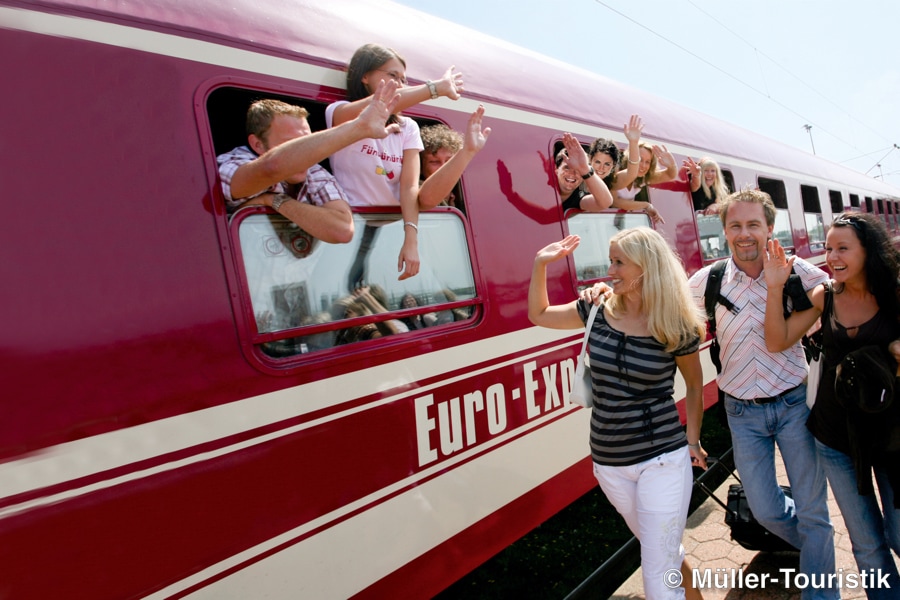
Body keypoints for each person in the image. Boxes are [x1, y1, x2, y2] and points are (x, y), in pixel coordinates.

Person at [529, 228, 707, 600]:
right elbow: (540, 314)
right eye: (610, 260)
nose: (609, 270)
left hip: (663, 459)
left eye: (619, 262)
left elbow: (693, 386)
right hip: (609, 464)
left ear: (646, 268)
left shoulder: (677, 324)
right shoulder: (595, 308)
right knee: (665, 551)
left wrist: (692, 441)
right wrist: (540, 265)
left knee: (657, 574)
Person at [687, 189, 838, 600]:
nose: (744, 234)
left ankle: (822, 589)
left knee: (813, 509)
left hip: (793, 405)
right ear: (724, 231)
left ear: (769, 228)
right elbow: (665, 309)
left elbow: (844, 292)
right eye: (735, 226)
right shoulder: (709, 280)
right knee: (768, 509)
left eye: (753, 224)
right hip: (742, 412)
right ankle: (816, 548)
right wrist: (602, 297)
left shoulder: (798, 272)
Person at [763, 212, 900, 598]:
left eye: (843, 248)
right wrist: (775, 288)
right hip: (836, 438)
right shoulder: (826, 295)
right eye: (828, 248)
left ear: (867, 250)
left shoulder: (893, 292)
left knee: (898, 535)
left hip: (892, 435)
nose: (832, 257)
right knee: (867, 544)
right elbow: (778, 340)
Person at [327, 43, 464, 282]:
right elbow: (379, 105)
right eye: (392, 75)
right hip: (352, 228)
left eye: (403, 78)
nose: (400, 83)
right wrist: (435, 88)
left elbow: (409, 186)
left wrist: (410, 239)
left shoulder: (408, 127)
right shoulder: (339, 113)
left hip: (393, 228)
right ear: (365, 76)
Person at [216, 79, 401, 243]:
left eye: (306, 142)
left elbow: (343, 230)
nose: (304, 155)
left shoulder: (314, 172)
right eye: (292, 144)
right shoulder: (233, 162)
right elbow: (271, 167)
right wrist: (358, 128)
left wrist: (274, 200)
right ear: (257, 145)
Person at [589, 115, 663, 224]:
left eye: (607, 164)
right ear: (590, 160)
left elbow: (631, 173)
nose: (601, 168)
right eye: (597, 162)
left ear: (613, 166)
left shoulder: (612, 181)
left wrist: (633, 143)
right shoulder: (581, 177)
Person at [417, 105, 491, 211]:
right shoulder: (414, 189)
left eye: (449, 161)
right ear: (420, 167)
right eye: (434, 162)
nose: (444, 167)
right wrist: (467, 152)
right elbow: (426, 199)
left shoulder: (455, 196)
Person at [556, 133, 614, 212]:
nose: (572, 174)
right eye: (567, 168)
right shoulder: (543, 187)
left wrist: (585, 169)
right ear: (556, 169)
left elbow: (605, 203)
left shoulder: (580, 198)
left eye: (578, 170)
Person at [614, 142, 678, 208]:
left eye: (647, 162)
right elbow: (615, 202)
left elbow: (670, 175)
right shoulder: (616, 173)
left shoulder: (642, 179)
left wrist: (672, 164)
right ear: (630, 158)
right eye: (640, 160)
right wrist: (646, 205)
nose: (643, 166)